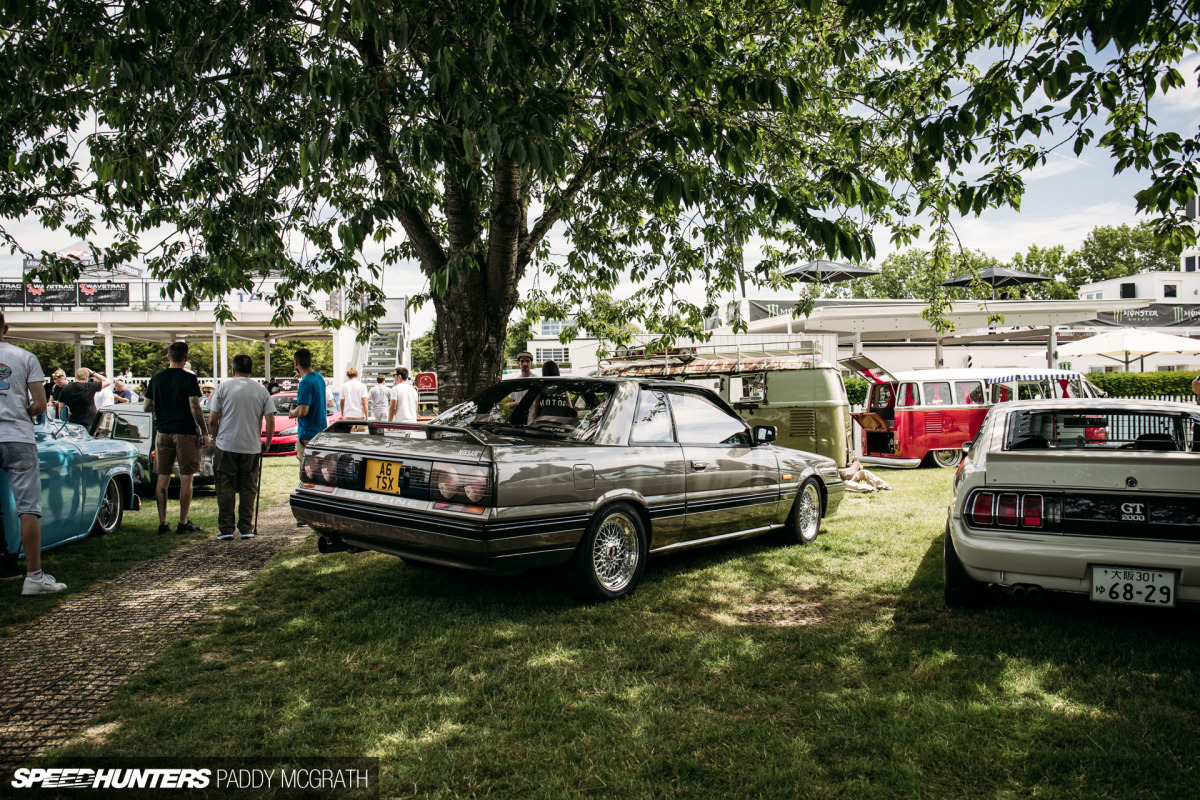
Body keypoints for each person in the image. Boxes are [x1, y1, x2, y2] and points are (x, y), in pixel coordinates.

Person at [0, 313, 66, 594]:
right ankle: (34, 576)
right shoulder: (25, 357)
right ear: (5, 328)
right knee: (28, 508)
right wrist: (19, 414)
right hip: (18, 437)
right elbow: (40, 404)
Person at [208, 354, 274, 541]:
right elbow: (270, 419)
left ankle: (226, 528)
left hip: (226, 444)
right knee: (248, 487)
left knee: (225, 486)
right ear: (251, 370)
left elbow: (213, 419)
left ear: (233, 370)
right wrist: (267, 442)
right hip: (251, 445)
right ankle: (246, 527)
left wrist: (216, 437)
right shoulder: (261, 390)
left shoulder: (222, 388)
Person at [144, 341, 208, 534]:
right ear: (186, 358)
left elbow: (147, 406)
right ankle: (183, 522)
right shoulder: (189, 378)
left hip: (162, 432)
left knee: (162, 477)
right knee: (186, 478)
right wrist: (203, 431)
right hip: (184, 432)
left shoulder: (156, 378)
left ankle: (163, 522)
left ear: (168, 357)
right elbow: (194, 406)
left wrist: (164, 408)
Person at [289, 349, 326, 526]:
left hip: (307, 434)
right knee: (318, 474)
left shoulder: (305, 382)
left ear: (296, 363)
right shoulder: (318, 378)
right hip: (320, 432)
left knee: (307, 475)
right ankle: (319, 510)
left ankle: (306, 514)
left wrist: (291, 412)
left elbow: (303, 410)